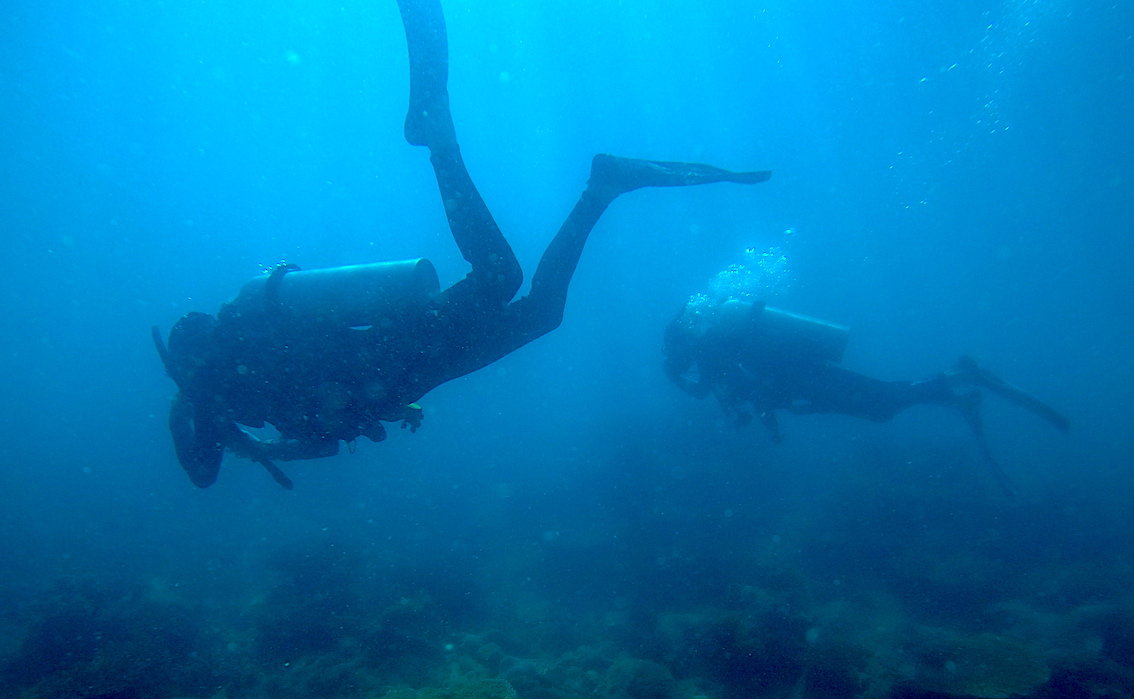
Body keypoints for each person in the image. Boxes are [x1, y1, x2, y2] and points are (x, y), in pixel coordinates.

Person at [153, 0, 770, 489]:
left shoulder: (221, 389)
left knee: (501, 278)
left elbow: (229, 458)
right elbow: (322, 438)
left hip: (393, 358)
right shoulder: (233, 394)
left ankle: (437, 135)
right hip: (405, 375)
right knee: (542, 312)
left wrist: (249, 436)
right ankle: (601, 187)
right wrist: (261, 445)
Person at [663, 296, 1069, 493]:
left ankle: (958, 376)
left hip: (806, 381)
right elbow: (751, 390)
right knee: (880, 406)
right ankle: (953, 393)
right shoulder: (716, 351)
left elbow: (751, 388)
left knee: (880, 403)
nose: (685, 372)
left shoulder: (713, 353)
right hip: (807, 384)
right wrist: (770, 422)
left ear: (685, 349)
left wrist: (768, 421)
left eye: (680, 364)